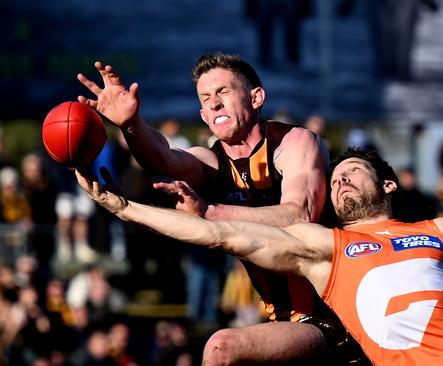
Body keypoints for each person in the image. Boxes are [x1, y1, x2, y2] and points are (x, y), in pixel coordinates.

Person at [76, 148, 443, 366]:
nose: (343, 180)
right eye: (338, 176)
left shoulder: (441, 229)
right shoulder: (325, 248)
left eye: (356, 172)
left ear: (389, 186)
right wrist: (125, 208)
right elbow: (220, 237)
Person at [76, 53, 365, 364]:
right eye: (206, 98)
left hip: (336, 318)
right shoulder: (212, 161)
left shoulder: (293, 142)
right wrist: (131, 124)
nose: (214, 103)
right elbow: (163, 160)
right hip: (285, 323)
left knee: (221, 347)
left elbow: (298, 216)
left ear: (256, 98)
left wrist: (209, 211)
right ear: (202, 115)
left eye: (223, 92)